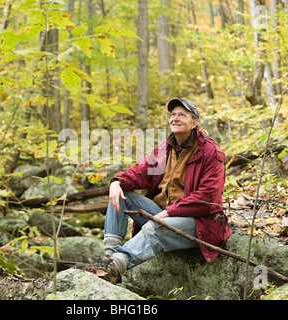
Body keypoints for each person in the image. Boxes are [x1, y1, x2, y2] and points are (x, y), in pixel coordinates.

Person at [76, 98, 232, 284]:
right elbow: (139, 173)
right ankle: (107, 263)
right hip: (165, 214)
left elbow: (208, 198)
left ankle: (117, 265)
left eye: (181, 115)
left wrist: (168, 213)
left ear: (194, 122)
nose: (175, 118)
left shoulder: (210, 152)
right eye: (173, 115)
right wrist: (117, 182)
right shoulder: (165, 149)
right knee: (121, 196)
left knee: (155, 226)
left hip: (199, 223)